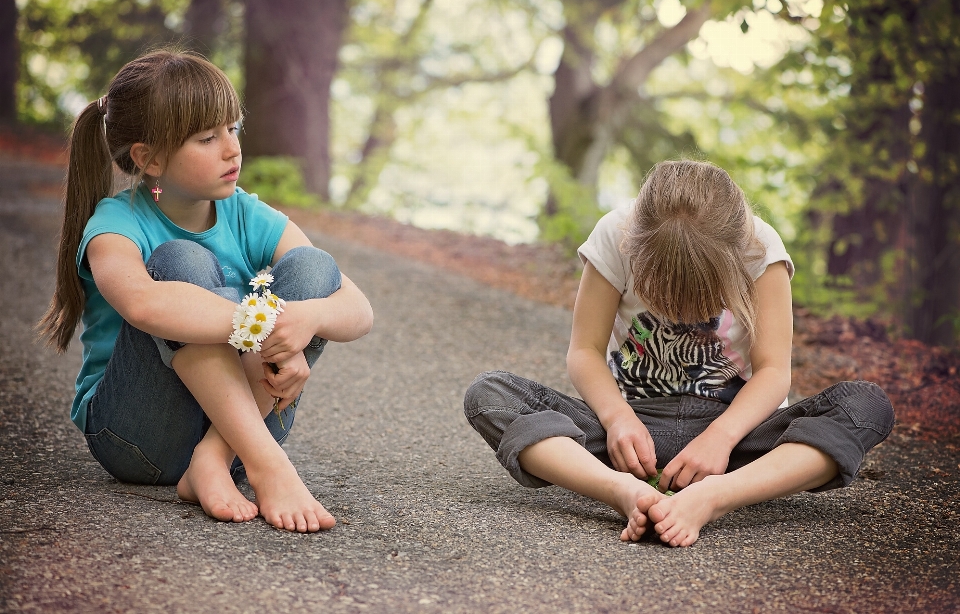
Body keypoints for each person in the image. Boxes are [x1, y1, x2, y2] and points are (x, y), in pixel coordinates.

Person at [464, 159, 894, 547]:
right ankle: (620, 490)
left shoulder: (760, 248)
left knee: (866, 406)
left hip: (739, 438)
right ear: (636, 248)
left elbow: (772, 372)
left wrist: (721, 439)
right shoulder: (616, 234)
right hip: (631, 435)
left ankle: (713, 497)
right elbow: (585, 351)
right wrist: (617, 419)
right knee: (489, 395)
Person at [38, 50, 374, 533]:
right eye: (207, 138)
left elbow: (357, 309)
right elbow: (144, 304)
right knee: (181, 262)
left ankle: (213, 460)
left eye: (233, 129)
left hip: (237, 434)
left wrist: (307, 321)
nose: (232, 149)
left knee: (313, 267)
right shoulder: (116, 224)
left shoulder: (245, 213)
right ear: (148, 158)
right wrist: (266, 329)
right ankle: (269, 466)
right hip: (139, 437)